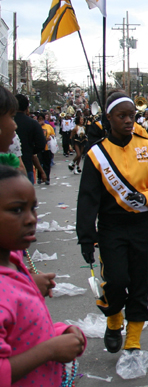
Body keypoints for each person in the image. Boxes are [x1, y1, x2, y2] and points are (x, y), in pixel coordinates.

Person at [77, 91, 148, 355]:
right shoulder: (97, 155)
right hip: (111, 227)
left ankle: (133, 340)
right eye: (122, 116)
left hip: (141, 224)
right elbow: (87, 199)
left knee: (140, 281)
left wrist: (146, 196)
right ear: (109, 118)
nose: (129, 120)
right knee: (116, 281)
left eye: (132, 115)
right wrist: (86, 236)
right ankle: (114, 320)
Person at [0, 165, 87, 385]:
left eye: (33, 208)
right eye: (16, 210)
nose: (31, 219)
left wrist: (58, 332)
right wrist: (50, 350)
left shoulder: (13, 262)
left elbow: (20, 332)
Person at [14, 95, 46, 184]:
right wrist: (30, 150)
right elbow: (41, 144)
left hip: (6, 169)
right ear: (27, 108)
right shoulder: (33, 124)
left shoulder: (6, 122)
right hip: (26, 165)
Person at [36, 113, 55, 186]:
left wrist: (51, 137)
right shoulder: (36, 127)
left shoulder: (48, 127)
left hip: (47, 148)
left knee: (47, 163)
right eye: (39, 119)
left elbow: (53, 134)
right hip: (39, 148)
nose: (41, 121)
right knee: (39, 162)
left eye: (42, 119)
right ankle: (39, 177)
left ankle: (47, 178)